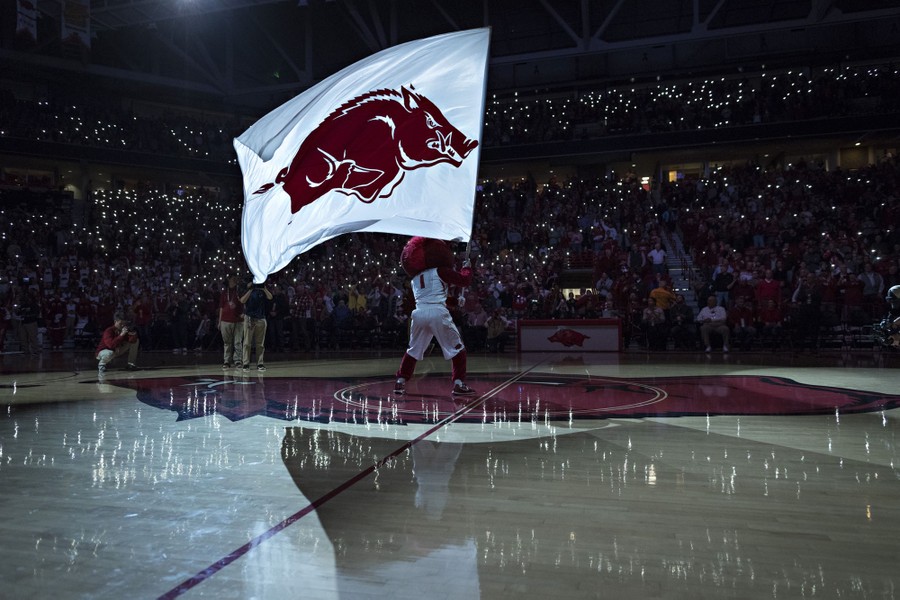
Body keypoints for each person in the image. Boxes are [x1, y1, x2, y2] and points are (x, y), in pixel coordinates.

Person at [394, 237, 476, 397]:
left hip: (419, 314)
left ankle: (400, 381)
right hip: (437, 313)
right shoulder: (440, 271)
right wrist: (467, 268)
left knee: (413, 350)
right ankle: (459, 384)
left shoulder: (415, 279)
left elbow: (430, 296)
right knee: (458, 349)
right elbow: (464, 281)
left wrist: (454, 301)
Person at [240, 280, 273, 371]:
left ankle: (260, 363)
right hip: (249, 318)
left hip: (261, 318)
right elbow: (242, 300)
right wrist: (250, 290)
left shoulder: (262, 290)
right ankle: (246, 363)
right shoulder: (247, 289)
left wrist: (264, 288)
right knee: (247, 342)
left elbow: (270, 297)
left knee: (260, 344)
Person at [218, 275, 244, 368]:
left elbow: (245, 303)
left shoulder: (240, 292)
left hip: (238, 320)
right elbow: (221, 307)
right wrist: (219, 321)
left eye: (234, 280)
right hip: (225, 320)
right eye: (231, 280)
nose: (232, 282)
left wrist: (244, 314)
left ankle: (238, 360)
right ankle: (227, 361)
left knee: (237, 342)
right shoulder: (224, 293)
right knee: (227, 342)